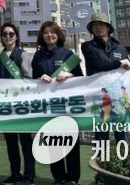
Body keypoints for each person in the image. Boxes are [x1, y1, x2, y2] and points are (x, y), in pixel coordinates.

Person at [32, 20, 83, 185]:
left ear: (58, 35)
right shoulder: (38, 56)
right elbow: (32, 80)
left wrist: (69, 75)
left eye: (52, 32)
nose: (49, 35)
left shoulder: (68, 54)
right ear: (42, 36)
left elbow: (81, 78)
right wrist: (39, 78)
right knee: (52, 143)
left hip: (67, 106)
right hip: (47, 107)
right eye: (46, 32)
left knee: (71, 142)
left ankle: (72, 178)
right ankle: (58, 177)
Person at [81, 11, 130, 144]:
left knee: (123, 137)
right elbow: (98, 65)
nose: (98, 27)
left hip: (119, 98)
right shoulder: (87, 46)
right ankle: (101, 156)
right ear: (91, 29)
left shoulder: (120, 48)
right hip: (99, 98)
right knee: (101, 137)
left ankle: (124, 157)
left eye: (101, 24)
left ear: (108, 27)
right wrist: (119, 63)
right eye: (95, 25)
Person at [0, 23, 35, 185]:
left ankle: (29, 176)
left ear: (16, 37)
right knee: (10, 142)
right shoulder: (0, 57)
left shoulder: (23, 55)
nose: (8, 37)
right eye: (5, 34)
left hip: (21, 105)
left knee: (26, 141)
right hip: (6, 105)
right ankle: (15, 173)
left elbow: (28, 78)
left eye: (11, 34)